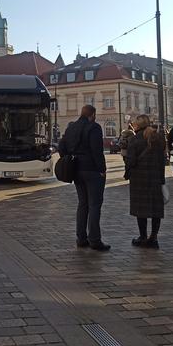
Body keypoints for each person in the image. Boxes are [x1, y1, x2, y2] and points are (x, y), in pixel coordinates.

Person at [59, 105, 110, 251]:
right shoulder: (93, 127)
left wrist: (69, 158)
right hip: (92, 170)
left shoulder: (71, 127)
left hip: (76, 169)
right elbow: (97, 150)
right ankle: (94, 239)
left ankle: (81, 238)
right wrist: (102, 169)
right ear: (92, 114)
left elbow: (61, 147)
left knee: (82, 204)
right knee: (95, 205)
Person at [125, 115, 166, 249]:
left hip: (139, 178)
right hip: (155, 177)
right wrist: (162, 179)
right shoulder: (159, 138)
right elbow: (162, 160)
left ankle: (142, 237)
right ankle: (153, 238)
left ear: (137, 125)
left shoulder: (134, 139)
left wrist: (127, 170)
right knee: (155, 209)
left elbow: (131, 161)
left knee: (140, 209)